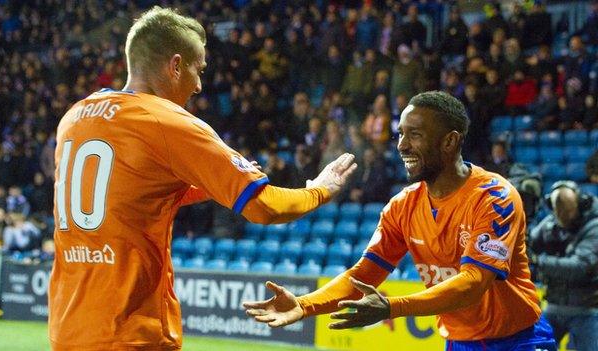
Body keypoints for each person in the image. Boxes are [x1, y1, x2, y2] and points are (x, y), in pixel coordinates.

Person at [48, 7, 357, 351]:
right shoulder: (167, 121)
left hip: (68, 327)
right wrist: (319, 190)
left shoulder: (74, 118)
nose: (198, 85)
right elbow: (264, 207)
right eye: (198, 69)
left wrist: (211, 185)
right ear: (176, 65)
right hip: (130, 331)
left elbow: (127, 196)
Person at [244, 91, 556, 350]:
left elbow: (473, 284)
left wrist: (394, 307)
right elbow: (364, 273)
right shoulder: (402, 206)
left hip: (521, 340)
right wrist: (305, 305)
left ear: (449, 142)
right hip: (460, 342)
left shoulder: (495, 196)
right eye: (401, 133)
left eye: (415, 135)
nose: (401, 145)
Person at [529, 181, 598, 351]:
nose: (562, 218)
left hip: (586, 309)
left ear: (580, 204)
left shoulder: (594, 226)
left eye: (568, 213)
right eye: (557, 212)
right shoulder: (551, 221)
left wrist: (540, 261)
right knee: (535, 347)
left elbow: (580, 267)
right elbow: (529, 245)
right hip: (553, 305)